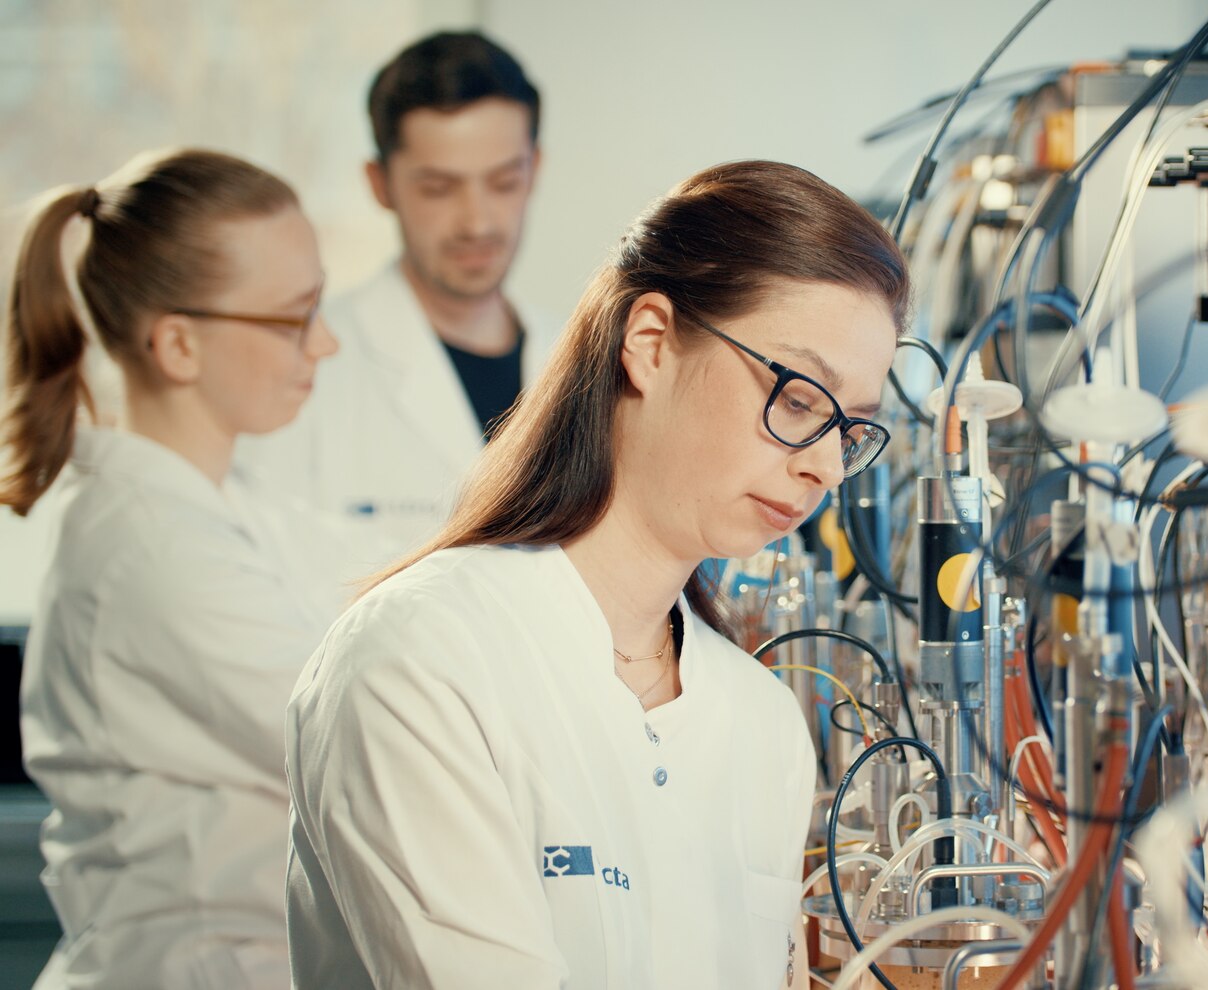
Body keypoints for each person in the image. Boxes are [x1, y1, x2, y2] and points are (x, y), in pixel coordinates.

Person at [284, 160, 907, 989]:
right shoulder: (418, 661)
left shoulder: (759, 722)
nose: (827, 467)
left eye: (851, 429)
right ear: (650, 344)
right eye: (799, 400)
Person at [0, 149, 344, 988]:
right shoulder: (151, 550)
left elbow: (399, 595)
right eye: (292, 318)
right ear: (179, 344)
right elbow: (356, 737)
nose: (325, 343)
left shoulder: (228, 509)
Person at [239, 30, 556, 554]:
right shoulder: (304, 373)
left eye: (503, 182)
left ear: (534, 169)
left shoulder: (588, 367)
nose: (477, 222)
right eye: (438, 188)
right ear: (379, 183)